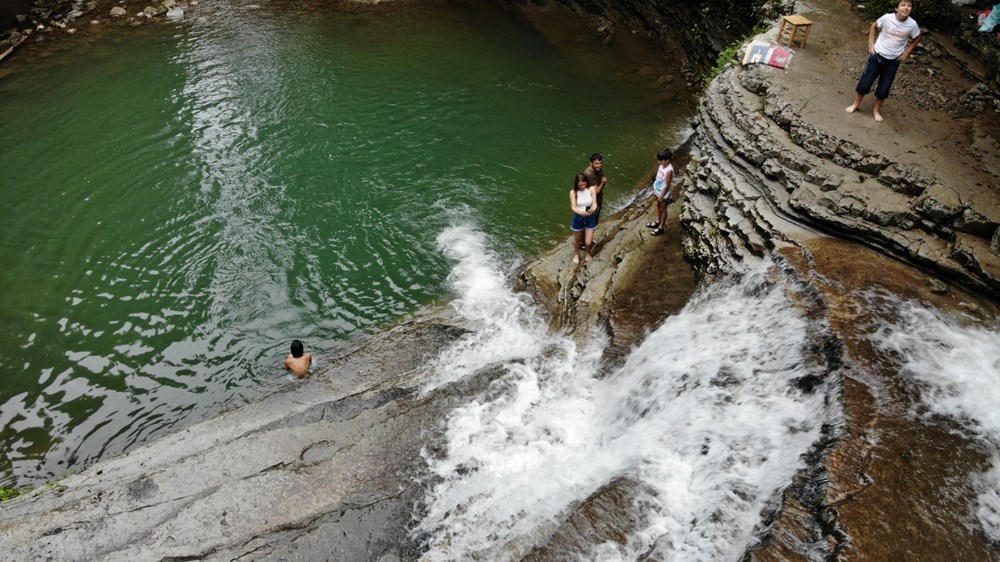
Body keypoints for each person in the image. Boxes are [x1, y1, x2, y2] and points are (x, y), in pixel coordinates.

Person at [845, 0, 922, 123]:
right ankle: (855, 104)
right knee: (865, 83)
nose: (906, 8)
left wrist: (907, 52)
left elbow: (917, 37)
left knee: (884, 87)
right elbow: (874, 26)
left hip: (893, 61)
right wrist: (871, 43)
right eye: (903, 5)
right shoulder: (887, 18)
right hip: (877, 56)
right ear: (897, 8)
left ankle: (876, 110)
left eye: (909, 6)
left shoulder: (912, 25)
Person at [569, 173, 598, 263]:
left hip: (590, 217)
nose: (582, 187)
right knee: (577, 239)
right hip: (578, 217)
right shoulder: (573, 192)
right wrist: (581, 212)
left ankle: (588, 253)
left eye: (584, 184)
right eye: (580, 185)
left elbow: (594, 203)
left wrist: (593, 209)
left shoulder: (591, 189)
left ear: (586, 183)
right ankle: (576, 254)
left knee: (588, 242)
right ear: (576, 185)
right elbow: (573, 207)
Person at [646, 149, 675, 236]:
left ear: (667, 160)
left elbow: (667, 185)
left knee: (663, 208)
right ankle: (658, 222)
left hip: (663, 193)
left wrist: (662, 195)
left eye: (660, 160)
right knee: (658, 206)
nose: (659, 162)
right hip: (657, 190)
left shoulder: (669, 170)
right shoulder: (662, 166)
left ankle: (661, 227)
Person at [582, 153, 609, 224]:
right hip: (590, 202)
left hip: (597, 200)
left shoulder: (598, 169)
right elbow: (596, 191)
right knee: (589, 222)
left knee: (595, 221)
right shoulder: (589, 174)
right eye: (596, 163)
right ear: (591, 163)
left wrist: (603, 181)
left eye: (600, 163)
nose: (599, 165)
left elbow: (602, 178)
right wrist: (603, 183)